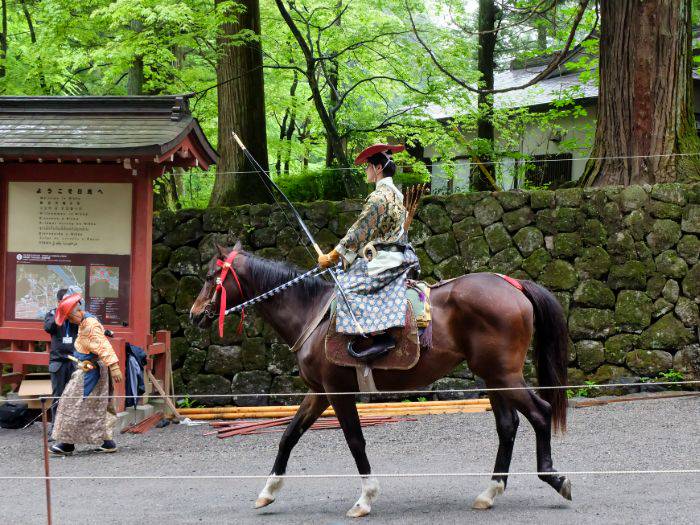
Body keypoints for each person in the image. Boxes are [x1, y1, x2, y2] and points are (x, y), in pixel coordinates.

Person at [318, 144, 419, 360]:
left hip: (380, 260)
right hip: (394, 256)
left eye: (368, 167)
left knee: (346, 285)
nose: (366, 171)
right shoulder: (397, 195)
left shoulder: (378, 197)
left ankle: (377, 336)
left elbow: (359, 231)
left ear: (378, 168)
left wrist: (333, 256)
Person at [49, 292, 123, 455]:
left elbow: (103, 345)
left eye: (69, 317)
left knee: (72, 402)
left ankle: (67, 443)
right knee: (95, 405)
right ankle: (106, 442)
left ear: (76, 312)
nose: (69, 321)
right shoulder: (85, 321)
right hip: (88, 367)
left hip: (92, 370)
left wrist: (114, 366)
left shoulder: (89, 324)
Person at [43, 288, 78, 440]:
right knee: (58, 395)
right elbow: (48, 328)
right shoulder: (52, 314)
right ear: (59, 302)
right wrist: (60, 312)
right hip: (58, 361)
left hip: (74, 360)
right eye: (65, 301)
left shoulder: (75, 314)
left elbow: (84, 324)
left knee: (74, 395)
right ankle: (56, 428)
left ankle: (71, 428)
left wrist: (71, 312)